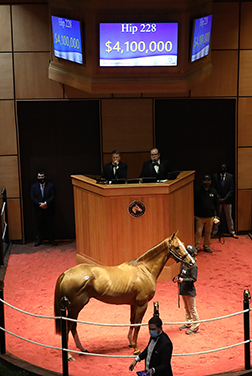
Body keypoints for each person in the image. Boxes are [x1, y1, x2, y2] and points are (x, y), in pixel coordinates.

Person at [175, 245, 200, 335]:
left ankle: (196, 326)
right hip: (183, 289)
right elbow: (182, 273)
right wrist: (179, 277)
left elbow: (193, 278)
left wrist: (183, 280)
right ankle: (189, 322)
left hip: (189, 290)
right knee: (186, 307)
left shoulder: (193, 266)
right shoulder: (184, 263)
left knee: (192, 309)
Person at [194, 174, 220, 253]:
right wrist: (194, 214)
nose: (207, 182)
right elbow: (195, 203)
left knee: (208, 232)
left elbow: (216, 204)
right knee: (198, 232)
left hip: (210, 216)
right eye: (205, 180)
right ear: (203, 181)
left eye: (208, 180)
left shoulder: (213, 191)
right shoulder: (198, 191)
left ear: (211, 181)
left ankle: (206, 246)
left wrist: (217, 215)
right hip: (200, 216)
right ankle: (196, 247)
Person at [30, 171, 57, 246]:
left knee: (50, 225)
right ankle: (39, 239)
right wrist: (40, 204)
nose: (40, 178)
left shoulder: (51, 186)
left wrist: (46, 203)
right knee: (38, 225)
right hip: (37, 209)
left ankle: (51, 239)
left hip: (48, 209)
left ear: (45, 177)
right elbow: (32, 197)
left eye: (42, 177)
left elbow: (53, 196)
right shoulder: (34, 186)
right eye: (39, 177)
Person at [212, 163, 238, 238]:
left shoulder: (230, 176)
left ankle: (232, 231)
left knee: (229, 217)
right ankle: (215, 231)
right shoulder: (215, 176)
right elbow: (214, 189)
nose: (223, 169)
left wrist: (225, 198)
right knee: (216, 217)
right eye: (221, 168)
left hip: (227, 200)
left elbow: (231, 189)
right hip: (218, 200)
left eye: (224, 168)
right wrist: (219, 198)